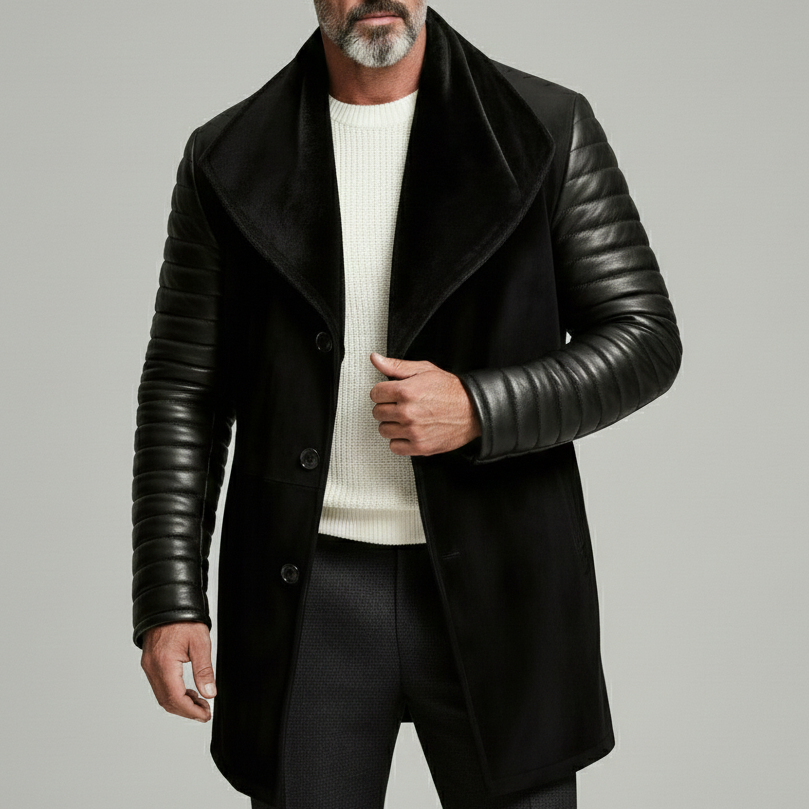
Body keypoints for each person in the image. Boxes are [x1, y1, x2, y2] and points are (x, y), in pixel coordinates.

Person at [131, 3, 682, 808]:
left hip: (498, 582)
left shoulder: (543, 126)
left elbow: (643, 337)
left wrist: (480, 406)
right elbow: (183, 385)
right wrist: (170, 596)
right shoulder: (228, 154)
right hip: (309, 592)